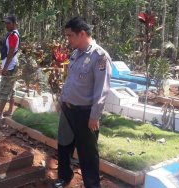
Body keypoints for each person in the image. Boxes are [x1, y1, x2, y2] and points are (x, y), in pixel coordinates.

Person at [54, 17, 112, 188]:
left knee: (88, 154)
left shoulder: (99, 56)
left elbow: (102, 90)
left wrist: (94, 116)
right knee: (64, 145)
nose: (68, 39)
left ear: (82, 34)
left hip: (85, 114)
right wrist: (63, 100)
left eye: (70, 35)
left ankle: (92, 185)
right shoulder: (76, 53)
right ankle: (64, 177)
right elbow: (71, 80)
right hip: (68, 109)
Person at [0, 15, 20, 120]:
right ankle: (10, 110)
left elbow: (11, 52)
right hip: (13, 64)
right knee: (11, 89)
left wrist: (5, 67)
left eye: (8, 23)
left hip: (10, 66)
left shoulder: (13, 36)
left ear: (14, 23)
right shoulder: (12, 34)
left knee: (4, 90)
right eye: (5, 23)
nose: (6, 25)